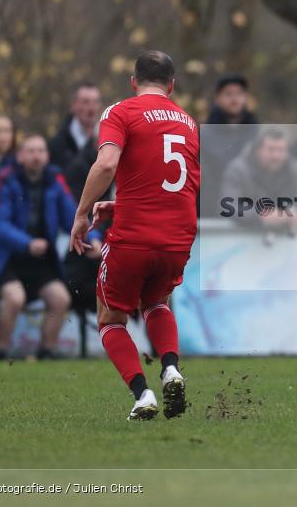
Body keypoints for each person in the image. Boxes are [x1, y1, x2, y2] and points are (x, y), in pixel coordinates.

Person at [69, 50, 200, 421]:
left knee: (111, 318)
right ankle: (171, 368)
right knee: (158, 300)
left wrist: (82, 213)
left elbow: (107, 163)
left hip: (135, 236)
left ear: (133, 81)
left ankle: (143, 395)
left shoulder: (120, 112)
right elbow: (175, 182)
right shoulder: (189, 122)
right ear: (172, 85)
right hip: (177, 235)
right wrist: (119, 204)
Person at [0, 135, 87, 360]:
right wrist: (27, 243)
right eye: (31, 151)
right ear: (21, 156)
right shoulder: (2, 179)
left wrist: (93, 237)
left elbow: (73, 215)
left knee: (60, 299)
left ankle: (46, 352)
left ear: (47, 155)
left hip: (37, 257)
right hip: (3, 256)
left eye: (41, 151)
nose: (36, 156)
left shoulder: (54, 179)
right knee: (15, 298)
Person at [48, 82, 110, 350]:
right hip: (73, 229)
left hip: (101, 230)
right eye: (83, 102)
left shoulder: (109, 138)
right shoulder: (58, 144)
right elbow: (66, 194)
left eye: (93, 102)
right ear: (74, 105)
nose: (89, 108)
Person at [220, 129, 297, 233]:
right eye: (271, 149)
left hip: (286, 239)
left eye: (281, 150)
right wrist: (260, 215)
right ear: (258, 150)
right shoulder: (238, 170)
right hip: (244, 238)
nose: (276, 156)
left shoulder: (294, 170)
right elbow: (229, 205)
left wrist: (294, 212)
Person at [204, 74, 259, 192]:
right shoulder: (204, 134)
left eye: (239, 94)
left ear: (245, 97)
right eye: (228, 94)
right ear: (218, 98)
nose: (234, 99)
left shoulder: (256, 132)